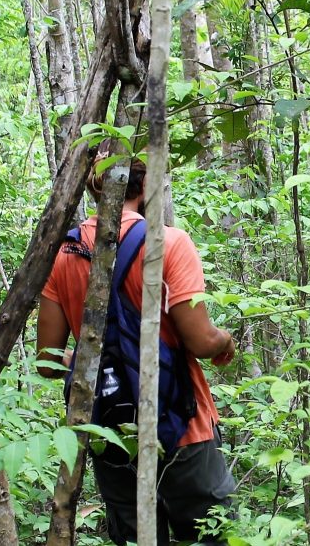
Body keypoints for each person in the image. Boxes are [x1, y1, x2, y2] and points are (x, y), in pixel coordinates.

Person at [37, 156, 237, 545]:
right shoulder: (168, 243)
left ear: (95, 188)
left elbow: (47, 360)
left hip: (109, 431)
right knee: (214, 534)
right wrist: (224, 340)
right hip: (181, 426)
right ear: (147, 187)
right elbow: (199, 340)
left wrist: (94, 362)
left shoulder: (66, 254)